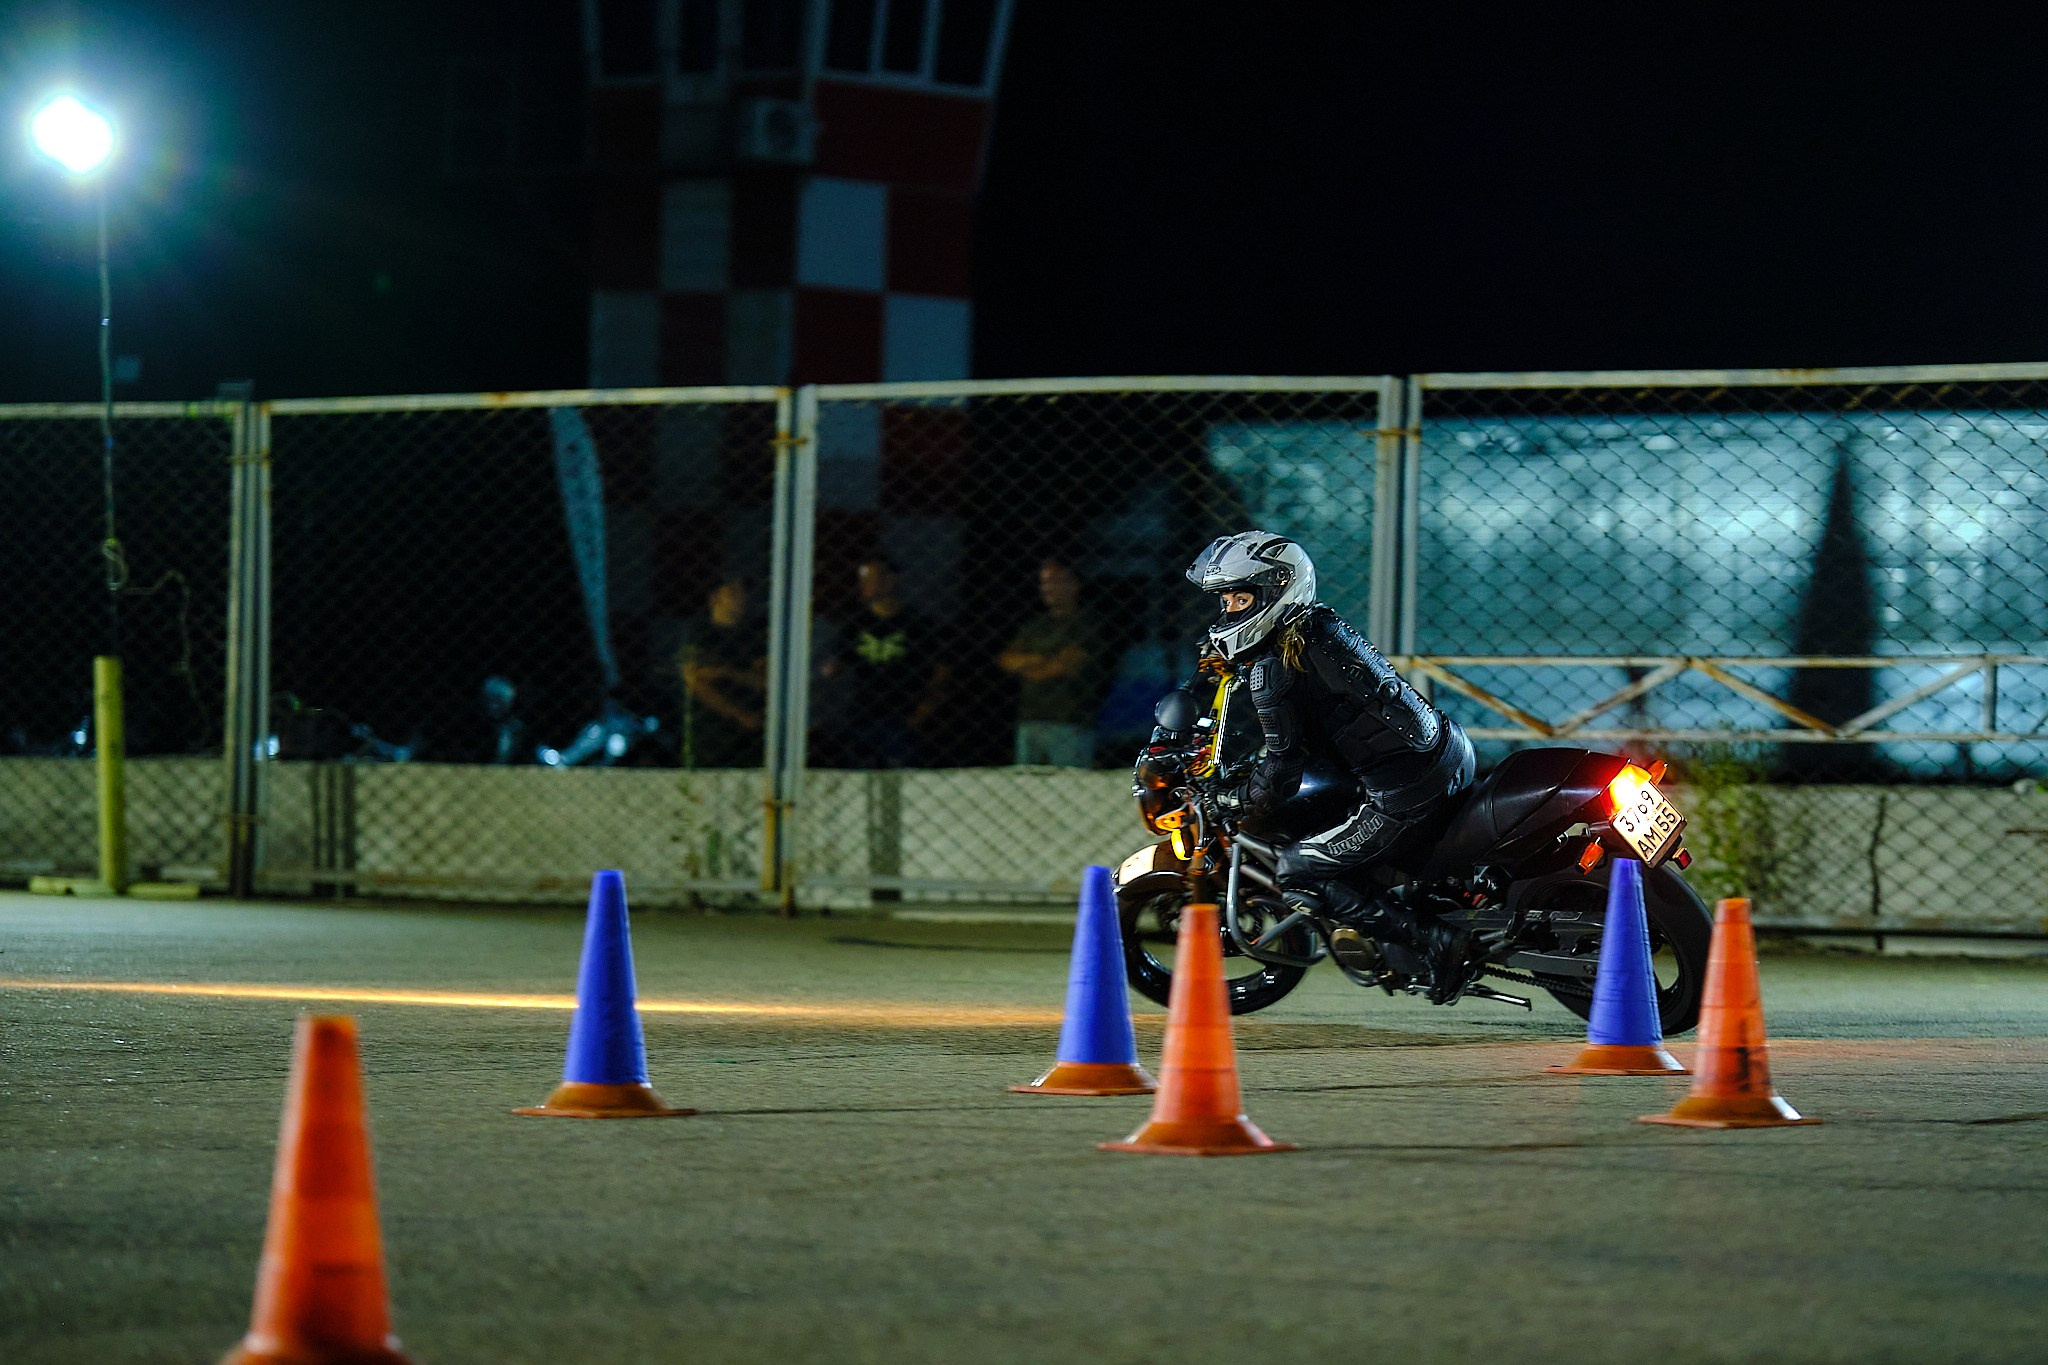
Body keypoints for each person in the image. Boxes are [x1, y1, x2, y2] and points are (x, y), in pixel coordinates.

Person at [1163, 531, 1479, 1001]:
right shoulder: (1318, 626)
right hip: (1447, 751)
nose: (1228, 611)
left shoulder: (1274, 670)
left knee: (1297, 869)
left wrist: (1233, 798)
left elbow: (1284, 769)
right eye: (1225, 600)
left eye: (1240, 598)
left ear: (1277, 591)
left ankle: (1435, 942)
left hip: (1403, 793)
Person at [822, 556, 949, 768]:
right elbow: (838, 665)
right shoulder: (854, 625)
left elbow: (942, 669)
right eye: (861, 580)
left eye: (869, 579)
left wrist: (921, 712)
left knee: (901, 777)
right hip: (860, 717)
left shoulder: (916, 625)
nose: (863, 586)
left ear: (889, 581)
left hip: (902, 717)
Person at [997, 559, 1103, 767]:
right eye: (1044, 582)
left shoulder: (1086, 624)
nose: (1048, 588)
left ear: (1073, 584)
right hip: (1029, 720)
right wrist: (1046, 659)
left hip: (1069, 723)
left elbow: (1065, 665)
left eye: (1055, 581)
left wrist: (1028, 663)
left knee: (1068, 784)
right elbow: (1006, 660)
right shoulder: (1034, 625)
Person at [677, 577, 766, 768]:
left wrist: (724, 672)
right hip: (711, 733)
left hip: (750, 734)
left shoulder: (753, 636)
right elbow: (695, 680)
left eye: (743, 594)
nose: (741, 599)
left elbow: (764, 681)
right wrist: (738, 714)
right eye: (733, 594)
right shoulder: (699, 632)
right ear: (715, 598)